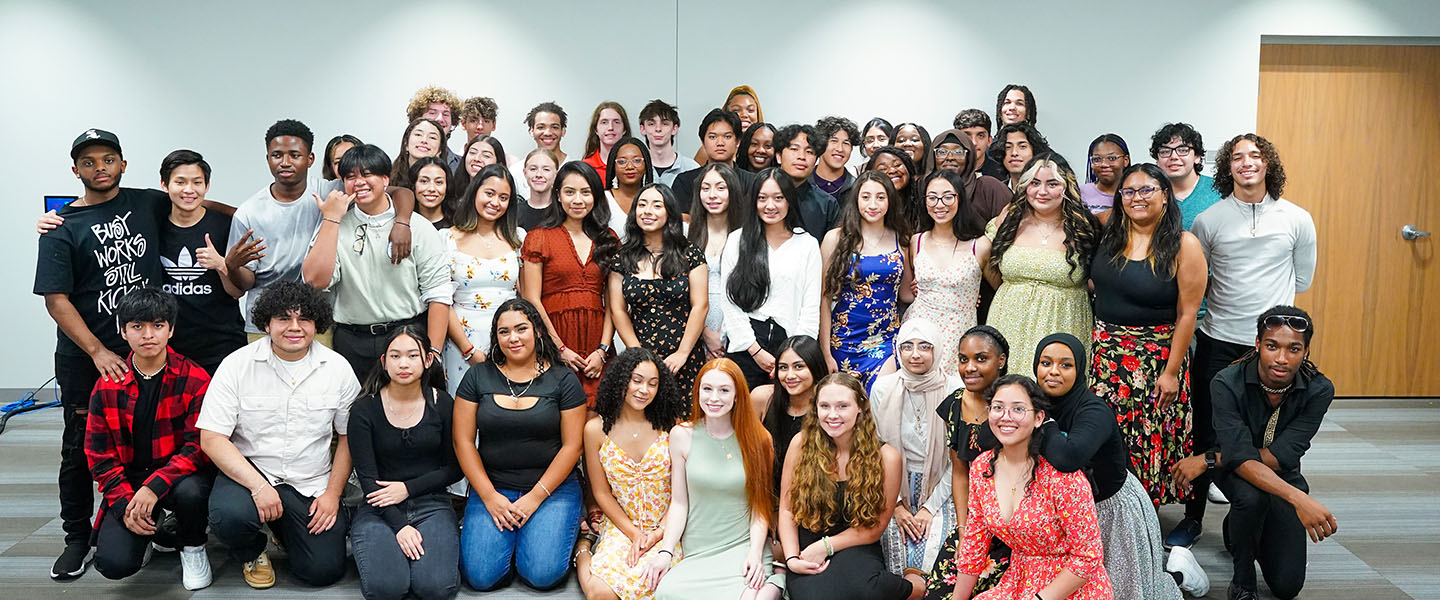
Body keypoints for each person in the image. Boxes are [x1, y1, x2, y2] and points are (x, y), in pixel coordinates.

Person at [35, 129, 170, 580]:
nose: (100, 168)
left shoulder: (148, 202)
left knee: (153, 439)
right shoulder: (61, 227)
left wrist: (246, 213)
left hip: (147, 349)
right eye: (89, 162)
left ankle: (152, 522)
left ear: (123, 164)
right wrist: (96, 351)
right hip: (85, 357)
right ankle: (77, 537)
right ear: (76, 170)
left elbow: (202, 205)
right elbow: (56, 300)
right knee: (79, 449)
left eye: (108, 159)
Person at [1171, 133, 1317, 549]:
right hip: (1219, 341)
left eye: (1255, 156)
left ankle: (1261, 517)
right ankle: (1193, 519)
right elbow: (1203, 278)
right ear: (1227, 167)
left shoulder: (1296, 218)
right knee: (1206, 431)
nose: (1247, 163)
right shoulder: (1210, 220)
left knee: (1270, 435)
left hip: (1275, 348)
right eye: (1238, 157)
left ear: (1268, 164)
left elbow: (1302, 278)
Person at [199, 281, 359, 589]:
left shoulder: (338, 368)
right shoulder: (236, 365)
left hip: (309, 480)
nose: (294, 327)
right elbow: (212, 438)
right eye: (284, 318)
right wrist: (258, 487)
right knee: (229, 516)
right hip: (251, 473)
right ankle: (252, 551)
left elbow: (348, 437)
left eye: (304, 319)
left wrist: (332, 495)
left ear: (317, 323)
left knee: (322, 571)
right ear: (267, 323)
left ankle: (284, 527)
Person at [1032, 334, 1205, 598]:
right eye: (1046, 363)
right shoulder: (1032, 402)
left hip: (1110, 512)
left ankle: (1181, 574)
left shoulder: (1093, 410)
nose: (1054, 371)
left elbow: (1068, 458)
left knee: (1124, 590)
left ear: (1080, 369)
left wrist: (1045, 423)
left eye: (1066, 365)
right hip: (1061, 512)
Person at [228, 120, 413, 343]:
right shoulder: (249, 212)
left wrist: (402, 222)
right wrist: (232, 266)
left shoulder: (332, 191)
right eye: (277, 155)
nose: (285, 162)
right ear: (268, 159)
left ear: (310, 159)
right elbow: (245, 283)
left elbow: (400, 192)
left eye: (295, 155)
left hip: (317, 319)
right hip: (265, 323)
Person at [1199, 307, 1336, 600]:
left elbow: (1280, 457)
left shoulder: (1319, 389)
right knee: (1250, 498)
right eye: (1272, 346)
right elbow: (1239, 459)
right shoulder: (1226, 382)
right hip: (1234, 473)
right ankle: (1242, 580)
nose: (1282, 358)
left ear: (1306, 351)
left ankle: (1237, 529)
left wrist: (1211, 458)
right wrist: (1300, 499)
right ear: (1258, 344)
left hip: (1282, 473)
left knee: (1287, 587)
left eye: (1293, 349)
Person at [1090, 164, 1207, 507]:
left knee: (1148, 439)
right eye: (1129, 191)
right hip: (1107, 357)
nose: (1137, 198)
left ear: (1165, 195)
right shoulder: (1105, 232)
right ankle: (1110, 510)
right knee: (1108, 435)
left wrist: (1171, 373)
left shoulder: (1184, 244)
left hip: (1156, 360)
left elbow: (1188, 313)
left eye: (1146, 190)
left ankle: (1144, 516)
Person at [453, 298, 587, 591]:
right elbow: (462, 441)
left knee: (542, 575)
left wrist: (535, 497)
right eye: (503, 332)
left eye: (521, 329)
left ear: (537, 330)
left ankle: (565, 532)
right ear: (495, 336)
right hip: (494, 487)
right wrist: (488, 496)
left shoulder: (563, 379)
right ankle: (515, 539)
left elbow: (573, 447)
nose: (512, 338)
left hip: (552, 490)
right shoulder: (478, 375)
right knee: (480, 577)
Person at [84, 289, 213, 590]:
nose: (148, 335)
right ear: (123, 331)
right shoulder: (106, 386)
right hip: (130, 481)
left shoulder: (194, 377)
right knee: (114, 565)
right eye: (137, 327)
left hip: (178, 477)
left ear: (171, 329)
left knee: (193, 492)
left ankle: (192, 545)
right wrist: (124, 503)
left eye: (157, 325)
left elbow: (198, 447)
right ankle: (150, 535)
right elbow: (99, 457)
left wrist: (154, 487)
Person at [946, 374, 1113, 600]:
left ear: (1038, 418)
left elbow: (1088, 557)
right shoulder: (982, 468)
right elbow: (974, 543)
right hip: (1019, 581)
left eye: (1018, 409)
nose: (1006, 417)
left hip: (1071, 588)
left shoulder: (1062, 477)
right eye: (998, 407)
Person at [302, 143, 453, 378]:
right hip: (352, 340)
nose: (359, 182)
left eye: (367, 174)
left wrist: (432, 352)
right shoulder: (335, 225)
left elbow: (439, 294)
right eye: (350, 177)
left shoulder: (418, 227)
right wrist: (331, 219)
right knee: (354, 411)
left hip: (407, 336)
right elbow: (314, 282)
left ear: (385, 179)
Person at [778, 373, 923, 600]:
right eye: (825, 406)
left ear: (860, 409)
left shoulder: (887, 457)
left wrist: (825, 546)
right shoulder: (800, 444)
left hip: (856, 543)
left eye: (842, 406)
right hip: (807, 549)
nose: (832, 414)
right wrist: (792, 559)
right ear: (815, 409)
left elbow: (875, 528)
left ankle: (914, 586)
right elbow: (786, 509)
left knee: (866, 590)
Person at [646, 358, 777, 599]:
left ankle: (773, 584)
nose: (714, 398)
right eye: (707, 389)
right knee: (667, 593)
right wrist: (665, 552)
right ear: (697, 392)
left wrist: (755, 555)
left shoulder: (760, 439)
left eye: (724, 390)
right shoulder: (681, 435)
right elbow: (679, 503)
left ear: (737, 395)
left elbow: (760, 507)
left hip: (743, 546)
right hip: (699, 550)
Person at [347, 328, 463, 600]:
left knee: (435, 588)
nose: (403, 363)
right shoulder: (364, 409)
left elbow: (454, 468)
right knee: (387, 589)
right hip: (378, 508)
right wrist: (399, 526)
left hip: (432, 504)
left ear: (427, 361)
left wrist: (408, 489)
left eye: (412, 355)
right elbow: (366, 479)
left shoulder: (442, 402)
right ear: (384, 361)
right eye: (396, 356)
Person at [575, 348, 687, 599]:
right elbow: (601, 493)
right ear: (621, 381)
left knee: (663, 588)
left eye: (652, 384)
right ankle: (583, 551)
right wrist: (634, 533)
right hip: (621, 524)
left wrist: (659, 532)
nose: (643, 390)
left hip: (667, 526)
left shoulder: (672, 426)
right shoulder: (595, 429)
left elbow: (682, 491)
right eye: (636, 380)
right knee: (600, 593)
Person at [985, 153, 1099, 374]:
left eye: (1052, 183)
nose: (1042, 191)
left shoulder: (1085, 228)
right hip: (1009, 320)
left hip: (1064, 322)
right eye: (1035, 183)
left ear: (1067, 187)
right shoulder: (1009, 220)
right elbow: (986, 263)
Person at [521, 161, 620, 405]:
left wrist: (603, 350)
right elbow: (531, 298)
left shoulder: (608, 239)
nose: (578, 200)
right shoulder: (539, 237)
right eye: (570, 192)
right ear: (558, 196)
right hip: (553, 341)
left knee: (596, 417)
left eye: (586, 192)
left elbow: (614, 302)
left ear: (596, 196)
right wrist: (559, 348)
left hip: (597, 345)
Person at [923, 326, 1011, 599]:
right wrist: (964, 530)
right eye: (963, 359)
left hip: (1014, 525)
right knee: (939, 592)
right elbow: (960, 472)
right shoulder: (954, 405)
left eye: (980, 359)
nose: (969, 367)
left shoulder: (1015, 404)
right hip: (975, 519)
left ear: (1001, 361)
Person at [871, 319, 962, 575]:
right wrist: (897, 506)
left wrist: (929, 508)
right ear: (898, 351)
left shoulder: (955, 389)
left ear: (938, 350)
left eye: (924, 346)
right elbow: (875, 450)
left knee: (933, 551)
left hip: (943, 485)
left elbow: (957, 460)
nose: (915, 354)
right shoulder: (883, 388)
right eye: (907, 346)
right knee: (896, 552)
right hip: (891, 484)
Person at [718, 168, 822, 388]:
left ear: (789, 201)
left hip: (791, 345)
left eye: (778, 198)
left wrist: (796, 356)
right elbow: (729, 302)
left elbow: (810, 306)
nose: (770, 206)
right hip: (746, 345)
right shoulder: (738, 240)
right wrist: (755, 350)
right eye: (762, 198)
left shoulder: (807, 244)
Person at [608, 183, 709, 391]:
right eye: (642, 205)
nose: (647, 211)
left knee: (686, 422)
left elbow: (701, 306)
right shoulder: (622, 257)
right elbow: (617, 310)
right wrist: (638, 354)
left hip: (684, 355)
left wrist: (682, 353)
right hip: (640, 358)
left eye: (656, 205)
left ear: (669, 212)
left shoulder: (689, 253)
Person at [155, 150, 248, 375]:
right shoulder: (152, 224)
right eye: (180, 182)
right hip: (168, 348)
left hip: (221, 344)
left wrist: (221, 264)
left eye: (197, 182)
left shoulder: (225, 225)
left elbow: (237, 292)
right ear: (164, 185)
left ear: (206, 186)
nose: (189, 190)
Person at [819, 171, 913, 388]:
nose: (873, 204)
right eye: (866, 197)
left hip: (886, 339)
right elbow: (824, 298)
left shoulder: (902, 239)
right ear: (856, 199)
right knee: (848, 405)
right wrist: (826, 352)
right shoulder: (835, 238)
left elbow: (906, 293)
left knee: (882, 397)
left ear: (890, 200)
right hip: (844, 339)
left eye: (880, 197)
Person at [440, 164, 526, 397]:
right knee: (465, 414)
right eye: (489, 193)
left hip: (511, 340)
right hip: (463, 342)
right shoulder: (447, 238)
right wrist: (469, 351)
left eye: (503, 197)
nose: (495, 202)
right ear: (475, 192)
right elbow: (442, 302)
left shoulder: (519, 237)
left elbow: (526, 297)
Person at [906, 170, 989, 375]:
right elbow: (908, 290)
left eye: (948, 197)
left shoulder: (980, 245)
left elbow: (997, 288)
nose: (939, 204)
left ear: (960, 198)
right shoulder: (916, 241)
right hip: (919, 330)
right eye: (932, 198)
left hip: (959, 332)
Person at [751, 335, 829, 497]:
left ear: (815, 367)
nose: (790, 375)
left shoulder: (828, 408)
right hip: (764, 498)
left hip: (812, 499)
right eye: (783, 367)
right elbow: (745, 450)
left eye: (799, 367)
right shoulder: (762, 398)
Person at [686, 164, 746, 361]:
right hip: (692, 331)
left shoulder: (745, 237)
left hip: (737, 330)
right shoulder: (686, 234)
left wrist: (723, 333)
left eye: (721, 188)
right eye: (706, 188)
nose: (712, 195)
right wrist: (706, 334)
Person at [674, 109, 759, 210]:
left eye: (727, 137)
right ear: (703, 142)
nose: (720, 143)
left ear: (738, 141)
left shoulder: (753, 183)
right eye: (713, 137)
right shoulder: (685, 182)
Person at [924, 128, 1010, 221]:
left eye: (958, 152)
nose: (949, 157)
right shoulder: (923, 188)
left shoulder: (988, 188)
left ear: (969, 157)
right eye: (942, 152)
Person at [1148, 122, 1222, 231]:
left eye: (1182, 150)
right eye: (1165, 151)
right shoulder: (1149, 194)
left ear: (1197, 156)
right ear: (1157, 160)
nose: (1173, 157)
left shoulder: (1220, 189)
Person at [774, 123, 839, 242]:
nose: (801, 157)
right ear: (778, 156)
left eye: (809, 152)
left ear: (816, 161)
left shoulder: (827, 204)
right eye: (794, 149)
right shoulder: (760, 194)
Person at [639, 99, 699, 186]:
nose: (658, 129)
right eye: (651, 124)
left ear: (675, 129)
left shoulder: (691, 168)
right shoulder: (637, 168)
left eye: (665, 123)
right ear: (643, 129)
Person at [404, 85, 463, 172]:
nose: (440, 119)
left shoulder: (462, 166)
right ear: (418, 117)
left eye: (445, 114)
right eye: (432, 113)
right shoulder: (395, 169)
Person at [605, 136, 655, 233]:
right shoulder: (603, 200)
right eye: (622, 161)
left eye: (637, 160)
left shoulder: (657, 198)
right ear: (613, 166)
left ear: (646, 164)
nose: (629, 166)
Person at [865, 146, 921, 227]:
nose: (892, 171)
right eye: (883, 169)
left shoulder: (923, 199)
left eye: (897, 165)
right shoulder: (870, 206)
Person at [583, 101, 633, 185]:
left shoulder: (634, 166)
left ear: (624, 129)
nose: (610, 127)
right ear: (596, 129)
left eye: (616, 122)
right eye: (604, 122)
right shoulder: (586, 167)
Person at [391, 117, 448, 189]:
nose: (424, 140)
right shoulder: (388, 179)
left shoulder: (447, 182)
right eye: (418, 134)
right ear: (406, 144)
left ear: (440, 150)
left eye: (432, 137)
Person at [1080, 134, 1131, 214]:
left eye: (1112, 158)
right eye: (1097, 159)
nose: (1104, 164)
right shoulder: (1079, 193)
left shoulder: (1135, 194)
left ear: (1125, 160)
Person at [812, 116, 859, 202]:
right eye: (834, 141)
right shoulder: (802, 183)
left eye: (846, 143)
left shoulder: (857, 188)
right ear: (820, 144)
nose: (840, 149)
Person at [994, 122, 1051, 191]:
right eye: (1008, 147)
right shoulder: (996, 192)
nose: (1014, 153)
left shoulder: (1045, 191)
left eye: (1022, 146)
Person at [952, 109, 1006, 181]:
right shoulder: (948, 171)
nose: (974, 142)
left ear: (989, 140)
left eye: (980, 136)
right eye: (967, 136)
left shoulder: (1002, 175)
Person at [519, 147, 560, 230]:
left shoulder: (563, 211)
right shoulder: (515, 213)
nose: (539, 174)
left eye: (546, 169)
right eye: (533, 169)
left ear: (556, 174)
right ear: (525, 173)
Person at [408, 156, 454, 229]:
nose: (431, 189)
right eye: (424, 181)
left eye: (439, 182)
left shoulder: (457, 226)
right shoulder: (403, 223)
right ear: (413, 185)